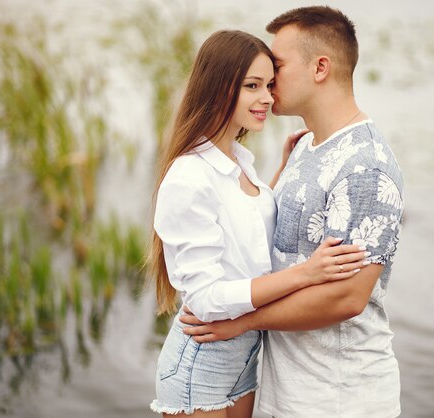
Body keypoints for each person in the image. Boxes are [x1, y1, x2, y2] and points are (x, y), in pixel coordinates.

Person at [181, 6, 405, 418]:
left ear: (320, 67)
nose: (268, 80)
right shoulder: (306, 146)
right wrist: (281, 175)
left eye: (278, 67)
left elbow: (347, 297)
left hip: (338, 398)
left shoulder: (366, 166)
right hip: (282, 391)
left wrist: (242, 322)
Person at [148, 29, 369, 417]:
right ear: (219, 86)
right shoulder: (190, 175)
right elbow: (205, 300)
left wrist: (285, 170)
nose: (267, 97)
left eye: (269, 84)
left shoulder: (238, 161)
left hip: (244, 360)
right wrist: (305, 274)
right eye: (252, 85)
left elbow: (243, 229)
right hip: (203, 362)